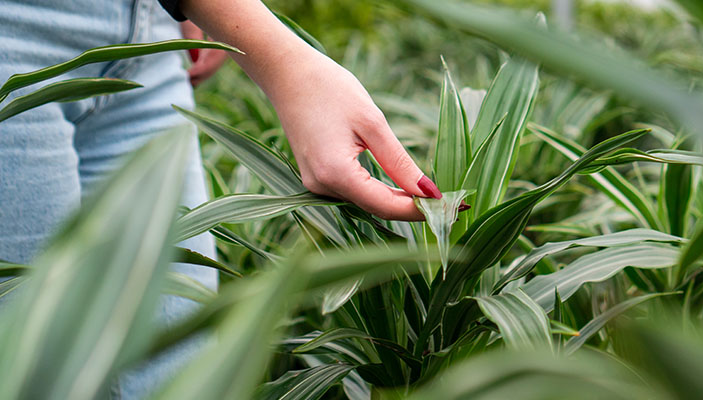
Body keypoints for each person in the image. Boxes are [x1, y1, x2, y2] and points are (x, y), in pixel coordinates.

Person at [0, 0, 440, 397]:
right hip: (16, 33)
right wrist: (277, 57)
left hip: (151, 42)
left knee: (179, 372)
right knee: (36, 369)